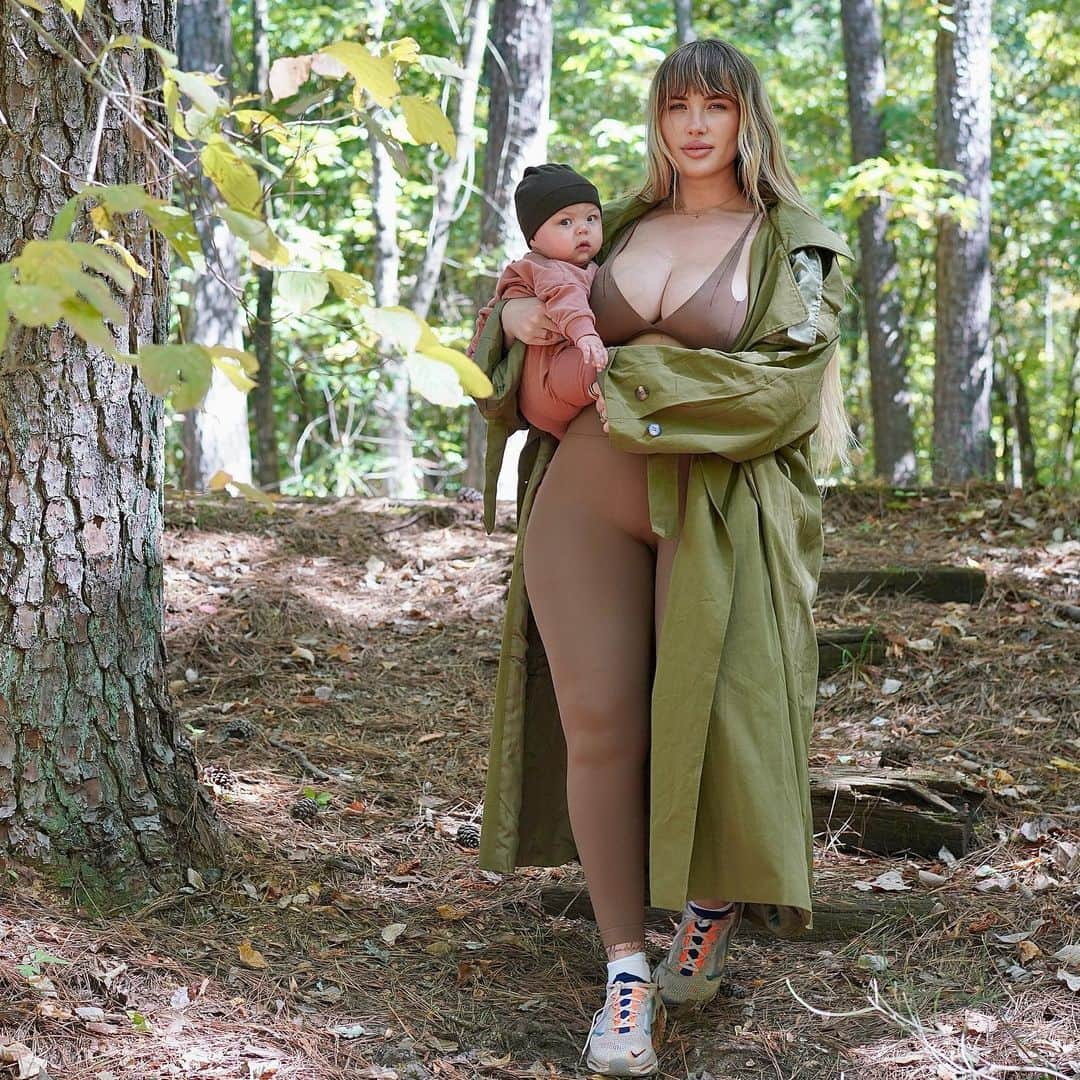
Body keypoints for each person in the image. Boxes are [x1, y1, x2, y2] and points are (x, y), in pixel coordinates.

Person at [468, 38, 855, 1078]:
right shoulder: (609, 231)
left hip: (718, 510)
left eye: (715, 108)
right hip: (580, 503)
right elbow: (512, 352)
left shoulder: (794, 244)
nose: (694, 126)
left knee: (722, 715)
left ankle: (713, 900)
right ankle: (625, 973)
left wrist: (625, 374)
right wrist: (510, 319)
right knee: (600, 727)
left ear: (746, 120)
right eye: (676, 106)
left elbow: (779, 394)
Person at [467, 163, 608, 439]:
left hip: (546, 403)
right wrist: (585, 335)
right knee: (610, 365)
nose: (582, 230)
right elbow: (566, 298)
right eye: (565, 222)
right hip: (550, 382)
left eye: (591, 219)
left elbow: (487, 319)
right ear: (533, 239)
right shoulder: (549, 269)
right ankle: (601, 391)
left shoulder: (583, 266)